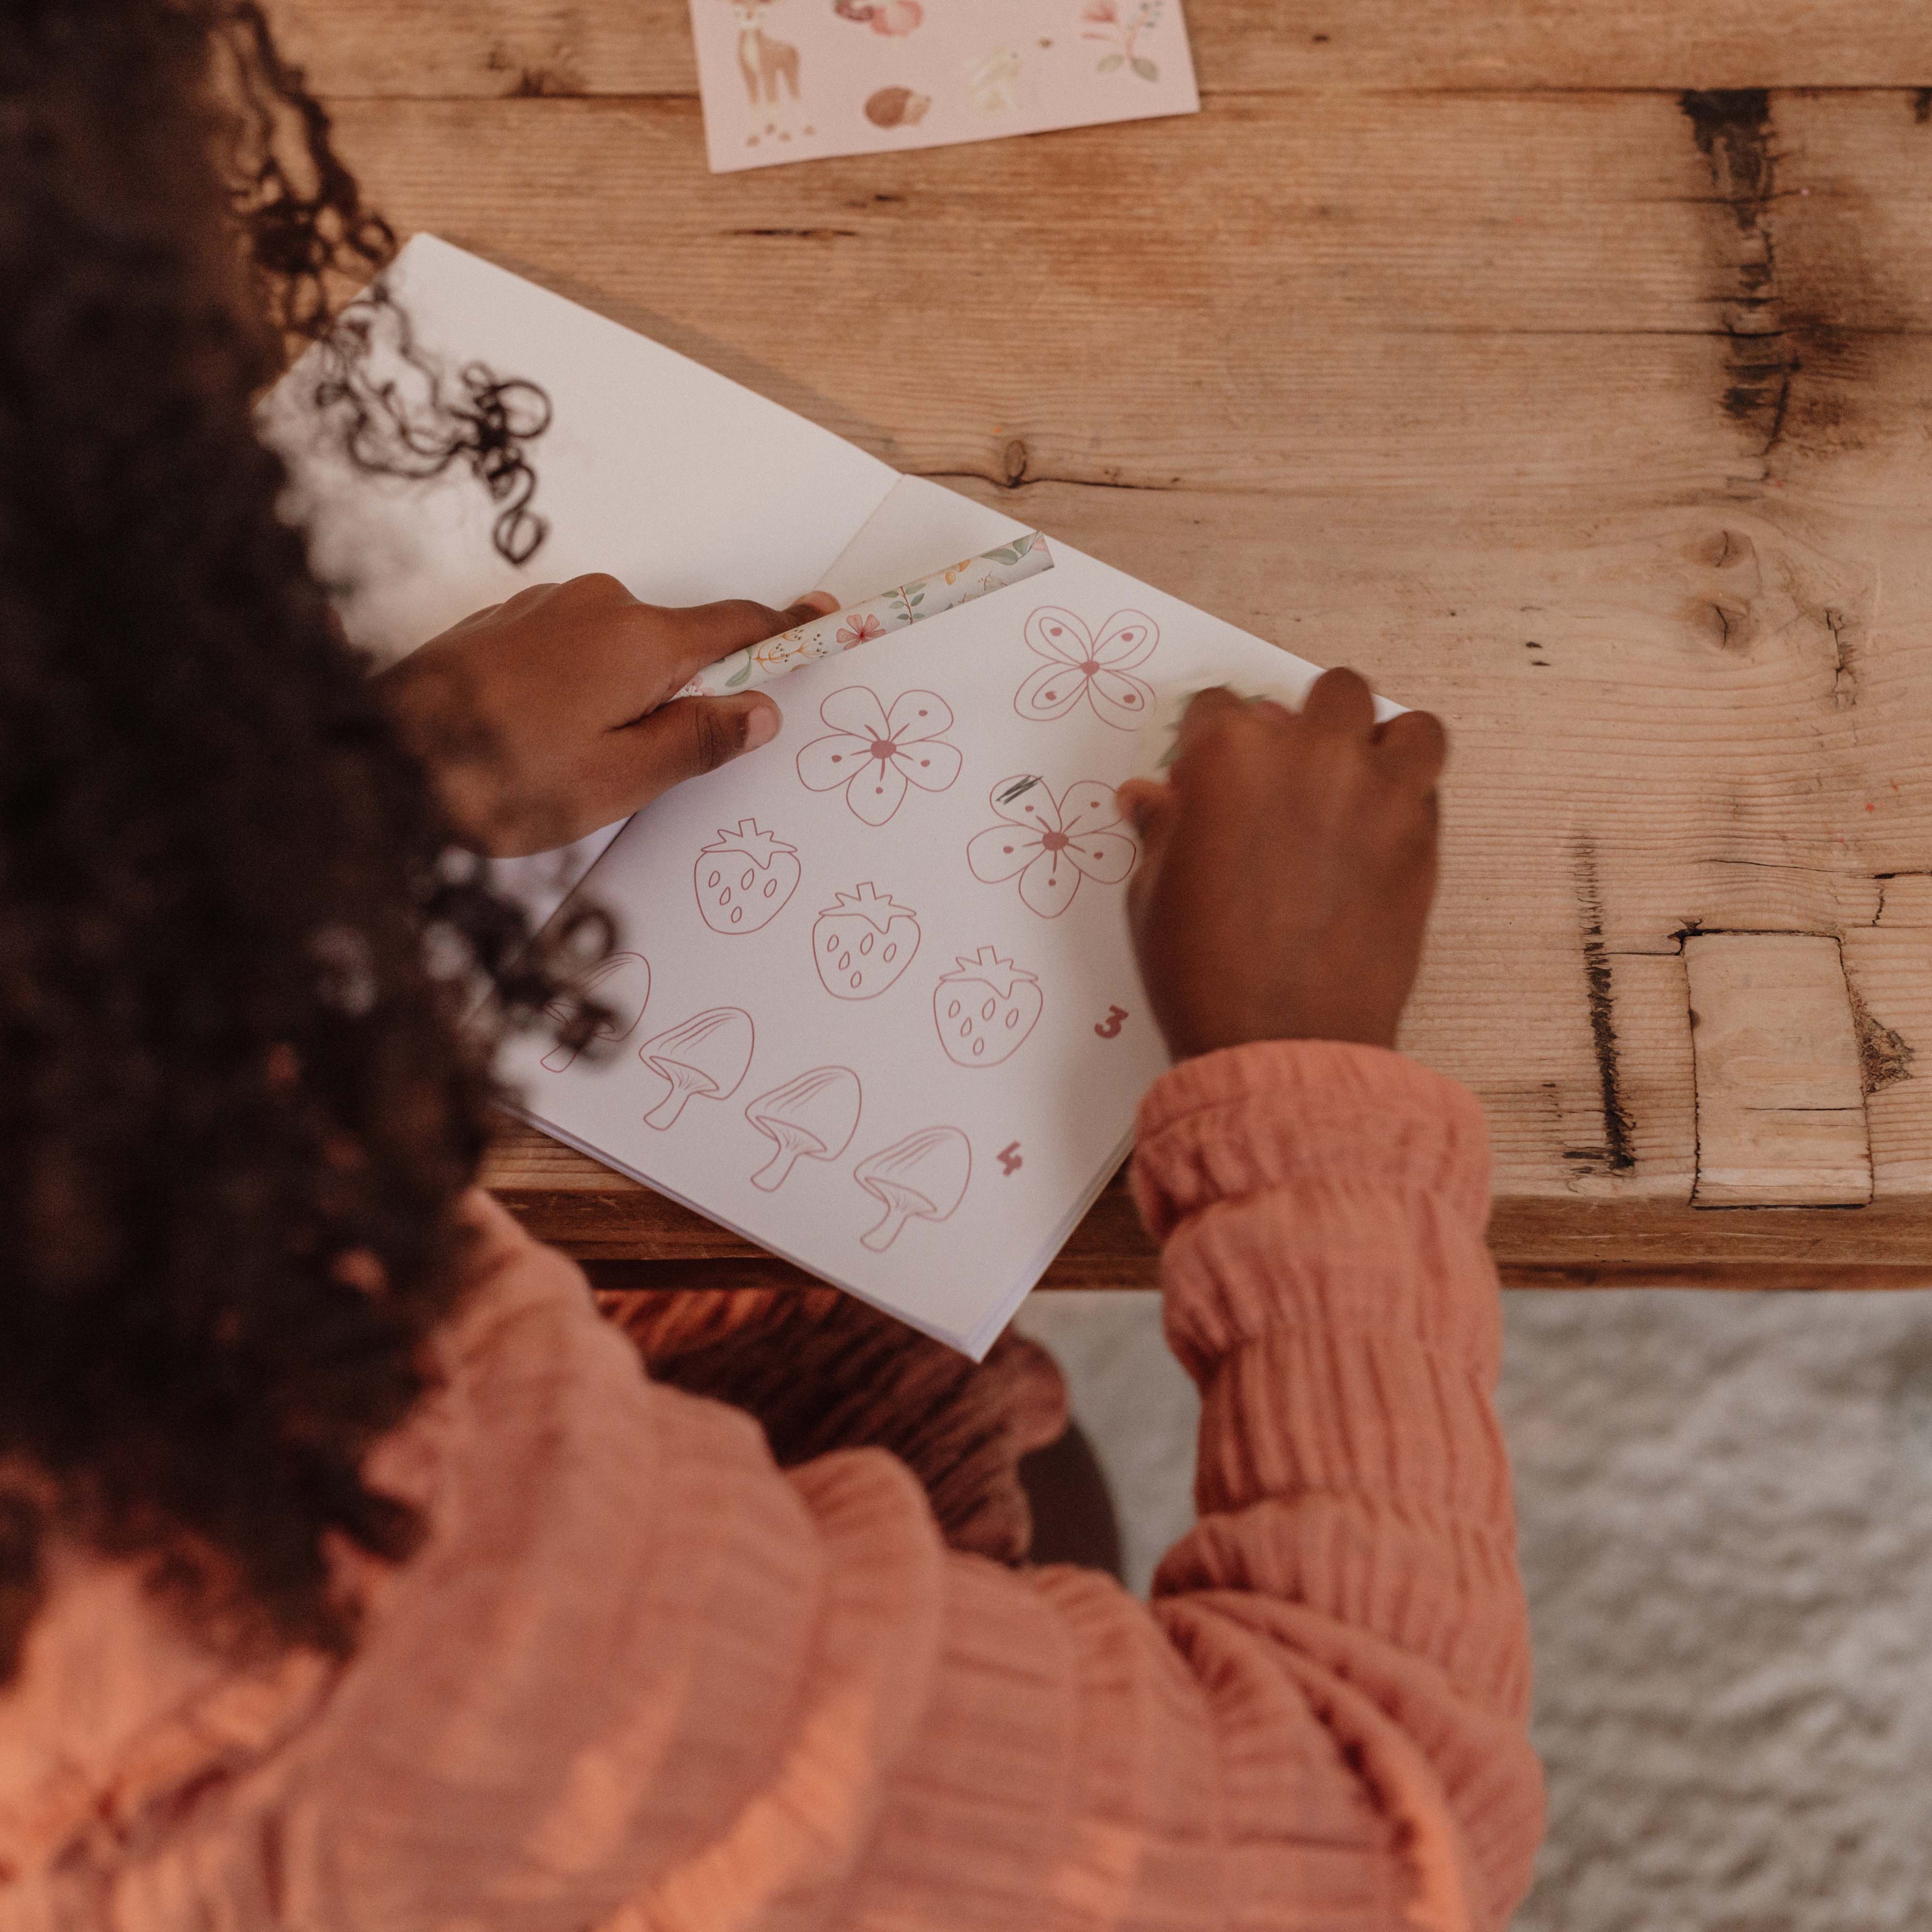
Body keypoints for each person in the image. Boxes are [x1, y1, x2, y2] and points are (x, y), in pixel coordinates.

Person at [0, 3, 1544, 1926]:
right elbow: (1359, 1816)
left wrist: (342, 810)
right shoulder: (332, 1619)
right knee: (957, 1444)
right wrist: (1304, 1077)